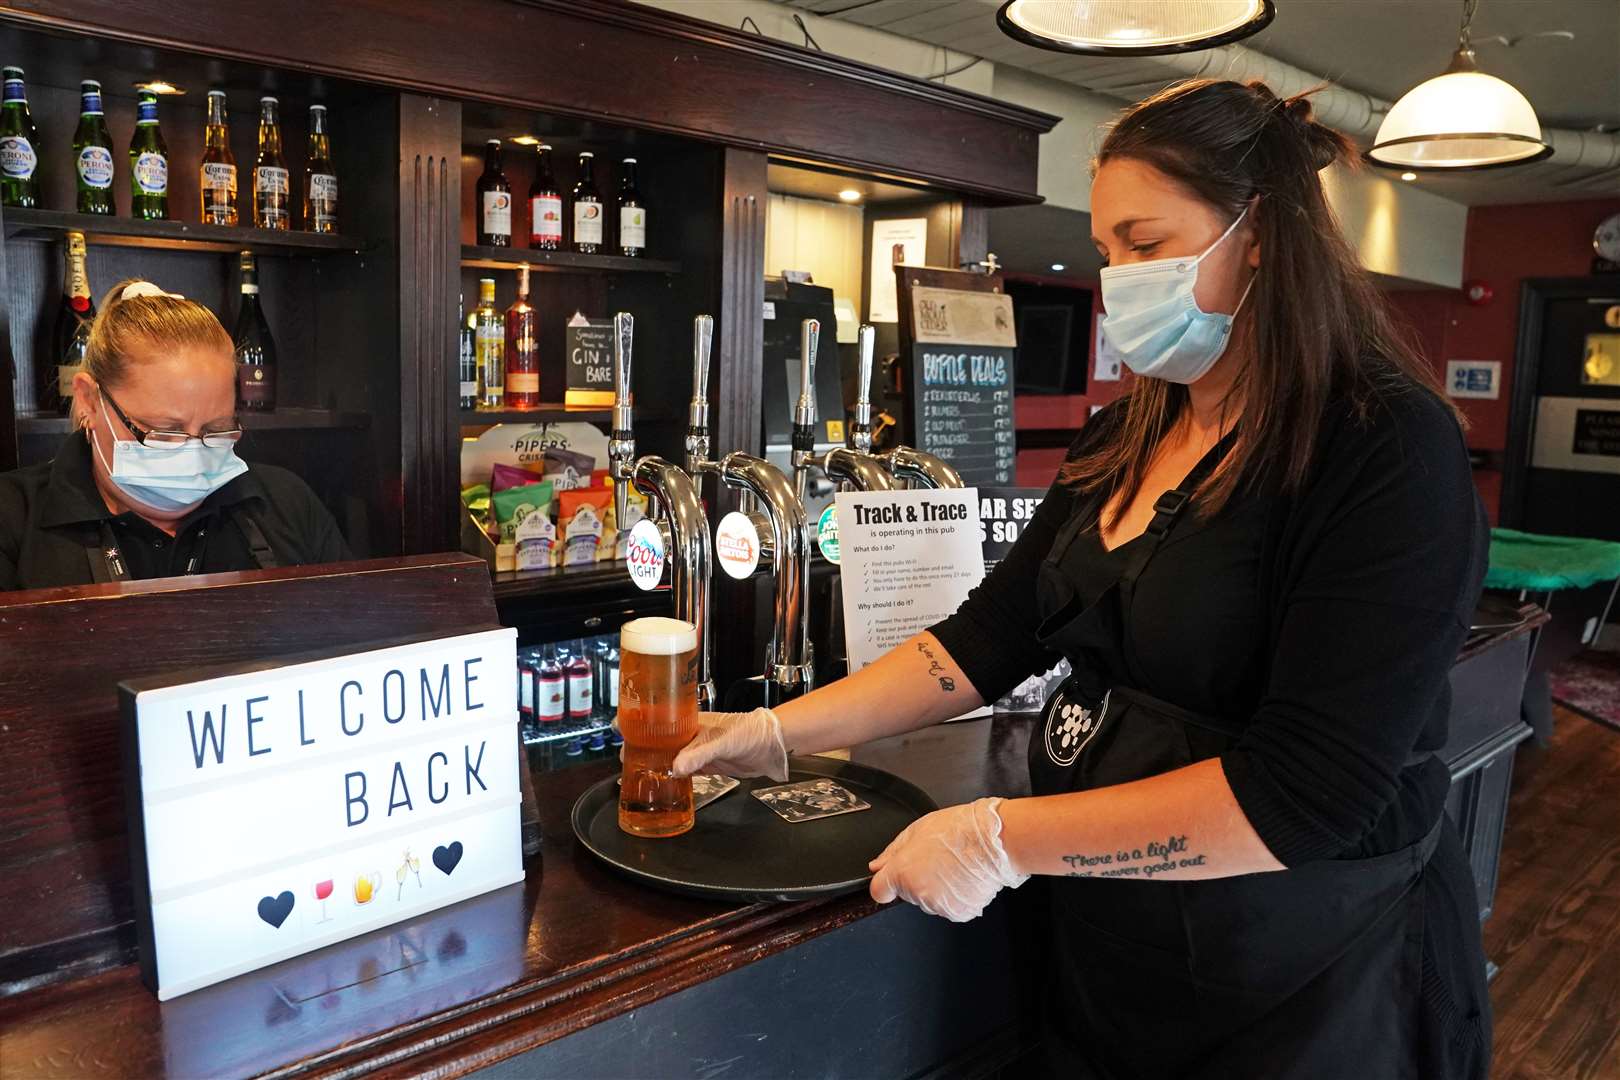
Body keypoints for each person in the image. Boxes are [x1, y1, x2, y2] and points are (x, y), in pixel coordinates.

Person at [674, 80, 1491, 1079]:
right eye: (1108, 253)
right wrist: (779, 731)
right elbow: (985, 640)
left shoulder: (1383, 448)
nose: (1120, 280)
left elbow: (1306, 798)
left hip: (1306, 972)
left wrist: (1003, 838)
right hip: (1119, 948)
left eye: (1146, 244)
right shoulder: (1128, 434)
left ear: (1263, 234)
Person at [0, 279, 351, 591]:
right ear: (90, 401)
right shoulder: (13, 519)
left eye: (216, 431)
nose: (194, 455)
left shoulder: (286, 503)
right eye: (165, 433)